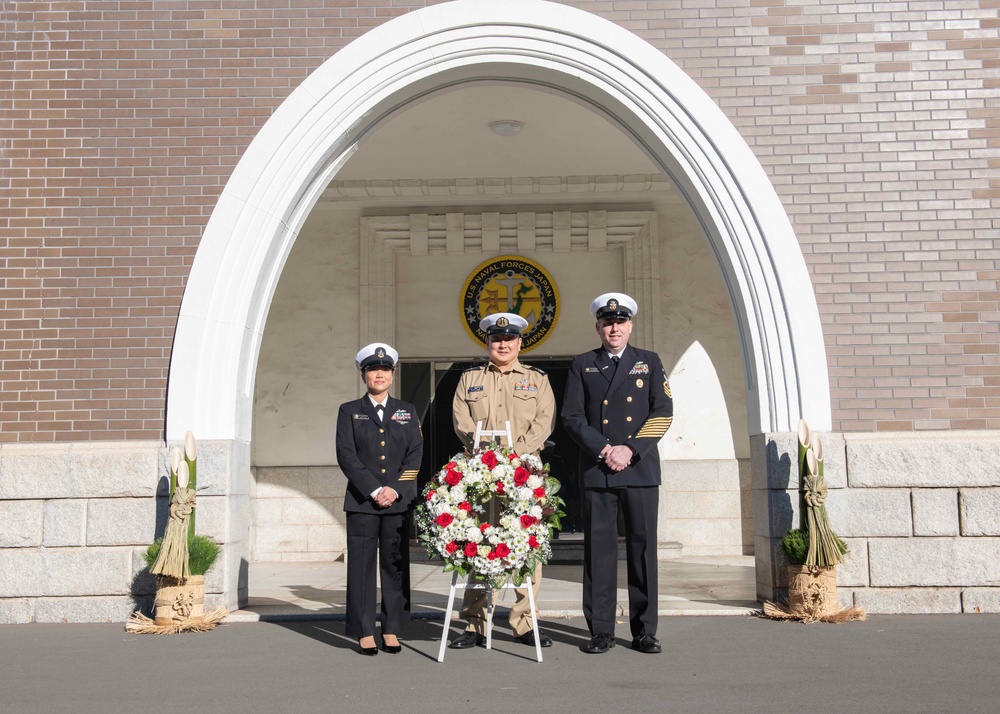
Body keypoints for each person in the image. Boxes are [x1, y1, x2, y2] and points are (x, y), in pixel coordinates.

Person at [562, 293, 673, 655]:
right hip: (599, 469)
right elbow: (572, 418)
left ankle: (644, 630)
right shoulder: (582, 364)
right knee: (599, 553)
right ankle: (601, 631)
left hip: (639, 469)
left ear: (630, 326)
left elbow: (663, 413)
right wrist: (606, 449)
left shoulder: (650, 362)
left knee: (643, 552)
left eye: (620, 322)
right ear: (598, 327)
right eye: (608, 322)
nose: (614, 327)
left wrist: (630, 449)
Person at [448, 312, 557, 650]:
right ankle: (476, 623)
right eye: (497, 339)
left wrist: (515, 457)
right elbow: (461, 419)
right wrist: (486, 454)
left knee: (527, 549)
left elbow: (544, 420)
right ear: (488, 343)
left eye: (509, 339)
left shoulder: (536, 379)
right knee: (480, 546)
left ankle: (524, 623)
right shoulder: (469, 379)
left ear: (520, 343)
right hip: (482, 475)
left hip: (525, 475)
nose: (503, 344)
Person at [336, 343, 422, 656]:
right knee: (361, 568)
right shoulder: (349, 411)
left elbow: (415, 456)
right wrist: (374, 489)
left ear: (392, 375)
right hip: (362, 502)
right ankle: (363, 631)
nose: (379, 374)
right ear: (364, 375)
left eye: (385, 370)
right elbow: (346, 455)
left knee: (395, 565)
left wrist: (396, 489)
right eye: (373, 369)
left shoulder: (407, 411)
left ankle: (392, 629)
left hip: (398, 502)